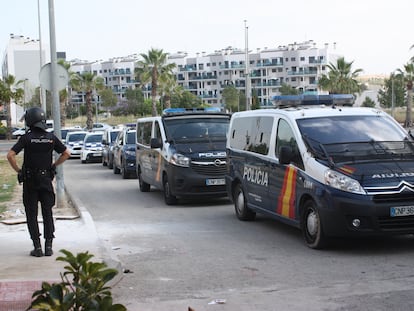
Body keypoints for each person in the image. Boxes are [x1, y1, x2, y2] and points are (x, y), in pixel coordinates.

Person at [6, 107, 71, 257]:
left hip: (30, 181)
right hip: (46, 179)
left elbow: (10, 155)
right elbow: (67, 153)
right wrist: (54, 165)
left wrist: (19, 171)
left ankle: (37, 247)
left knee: (32, 214)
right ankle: (49, 246)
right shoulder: (51, 137)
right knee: (48, 213)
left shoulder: (26, 138)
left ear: (30, 120)